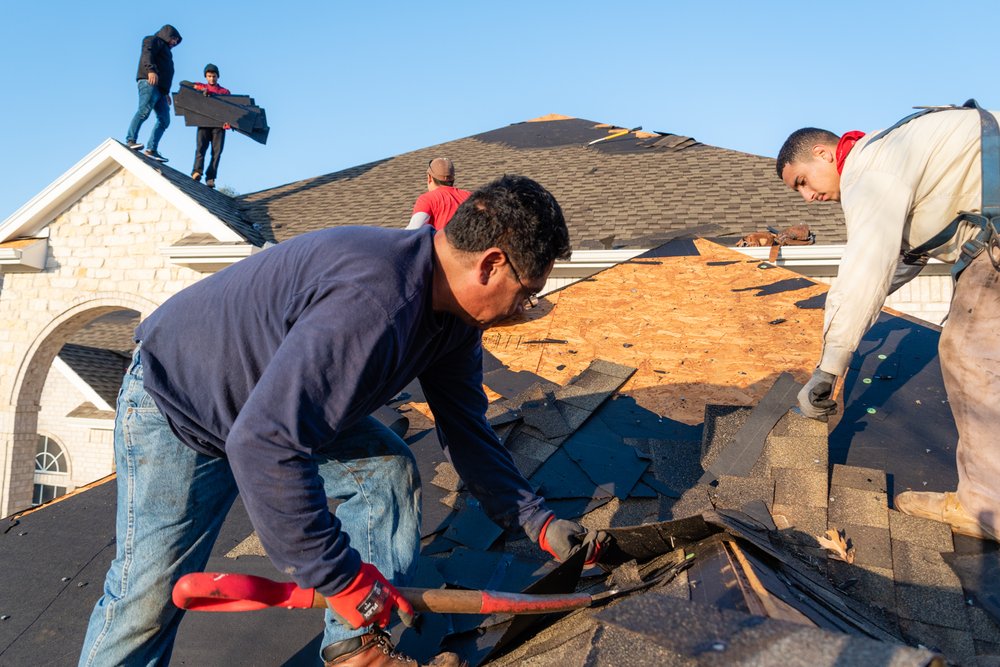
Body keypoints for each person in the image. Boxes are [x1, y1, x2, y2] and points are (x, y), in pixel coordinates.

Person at [78, 175, 604, 667]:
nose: (524, 308)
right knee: (146, 597)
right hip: (180, 402)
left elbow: (466, 426)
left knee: (385, 473)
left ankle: (356, 652)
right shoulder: (374, 301)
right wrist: (340, 578)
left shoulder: (454, 321)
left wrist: (535, 521)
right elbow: (265, 445)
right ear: (490, 265)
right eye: (527, 292)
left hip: (269, 406)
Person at [776, 103, 1000, 543]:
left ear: (823, 153)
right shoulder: (898, 156)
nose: (807, 197)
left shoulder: (870, 168)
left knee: (966, 352)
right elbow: (895, 266)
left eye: (802, 181)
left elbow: (865, 271)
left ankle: (984, 505)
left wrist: (828, 369)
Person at [125, 24, 182, 163]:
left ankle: (151, 149)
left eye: (177, 41)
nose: (175, 42)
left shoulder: (167, 52)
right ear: (167, 35)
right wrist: (150, 70)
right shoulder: (152, 40)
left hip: (161, 90)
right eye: (174, 39)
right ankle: (131, 140)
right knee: (144, 111)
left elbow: (166, 72)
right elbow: (147, 54)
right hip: (149, 81)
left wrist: (166, 92)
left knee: (164, 119)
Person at [191, 63, 231, 188]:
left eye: (214, 76)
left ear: (217, 77)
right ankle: (197, 171)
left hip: (219, 126)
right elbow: (184, 84)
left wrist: (228, 121)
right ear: (206, 77)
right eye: (209, 76)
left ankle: (211, 177)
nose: (212, 79)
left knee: (216, 153)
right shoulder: (201, 86)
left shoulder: (224, 92)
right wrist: (200, 89)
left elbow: (230, 109)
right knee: (201, 148)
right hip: (203, 123)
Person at [405, 158, 471, 230]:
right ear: (453, 179)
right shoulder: (470, 197)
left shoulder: (427, 199)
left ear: (429, 178)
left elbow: (413, 230)